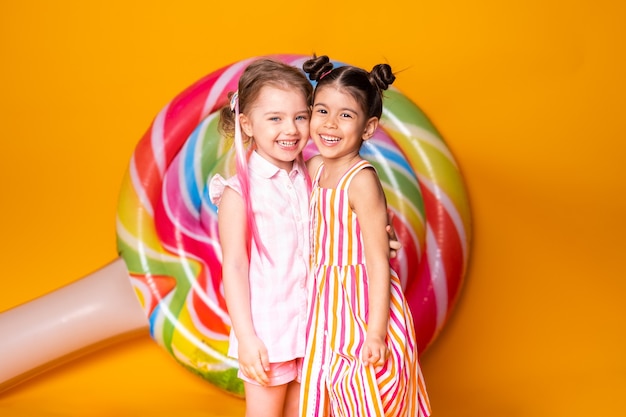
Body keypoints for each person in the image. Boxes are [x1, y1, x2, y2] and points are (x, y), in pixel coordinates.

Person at [209, 58, 401, 417]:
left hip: (319, 330)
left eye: (300, 116)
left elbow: (348, 212)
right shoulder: (238, 193)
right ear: (247, 124)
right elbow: (234, 267)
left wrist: (380, 237)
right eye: (275, 118)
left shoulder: (313, 172)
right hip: (271, 334)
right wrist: (247, 339)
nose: (291, 129)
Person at [299, 55, 431, 416]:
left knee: (362, 391)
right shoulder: (312, 167)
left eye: (345, 115)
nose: (329, 124)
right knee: (324, 389)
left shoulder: (361, 180)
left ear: (368, 129)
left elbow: (376, 260)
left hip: (357, 303)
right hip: (322, 303)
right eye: (322, 111)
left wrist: (375, 332)